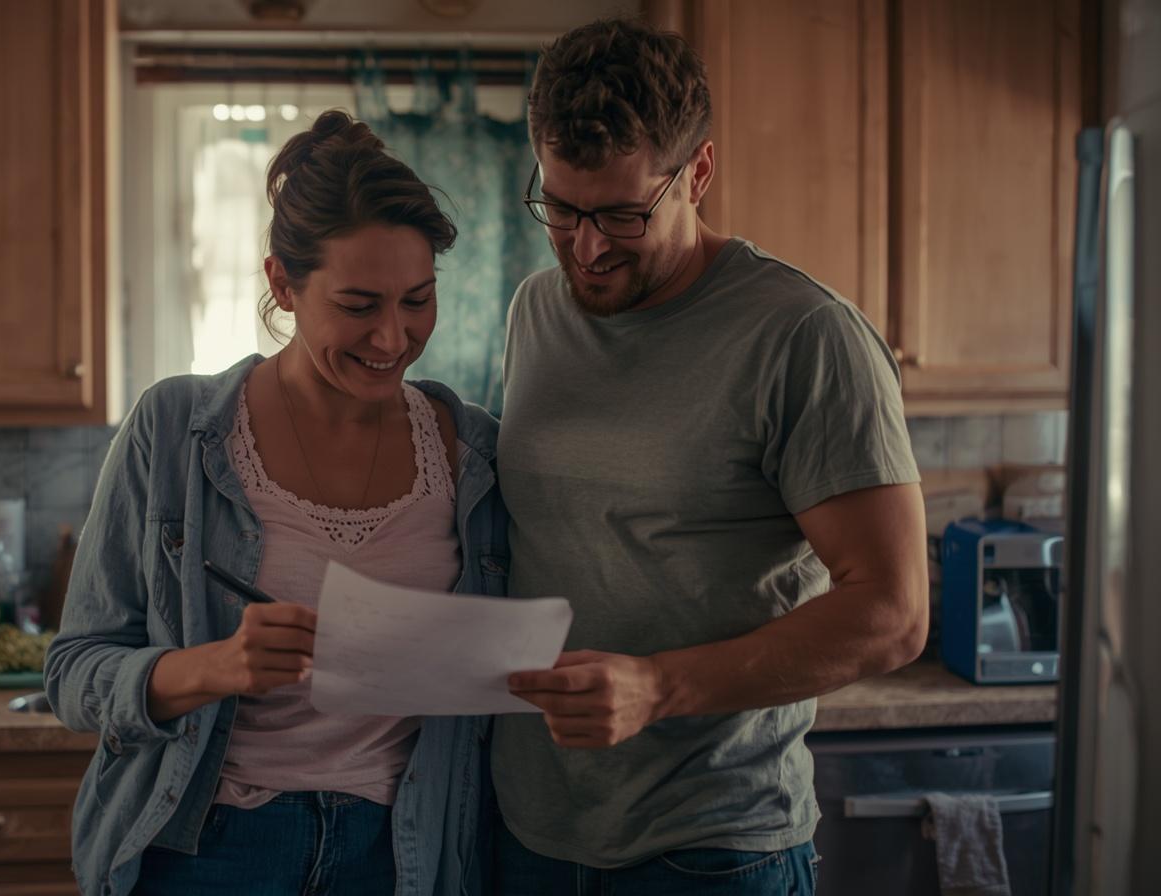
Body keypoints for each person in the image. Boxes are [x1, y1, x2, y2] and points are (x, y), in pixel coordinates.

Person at [493, 17, 929, 894]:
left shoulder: (805, 337)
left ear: (698, 172)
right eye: (561, 208)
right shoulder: (536, 309)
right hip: (529, 832)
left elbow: (893, 614)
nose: (585, 248)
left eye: (621, 214)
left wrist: (658, 686)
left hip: (714, 846)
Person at [46, 109, 508, 896]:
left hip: (402, 850)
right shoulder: (176, 430)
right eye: (359, 306)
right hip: (209, 846)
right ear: (282, 284)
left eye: (418, 300)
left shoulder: (474, 452)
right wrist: (212, 667)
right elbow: (74, 674)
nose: (393, 338)